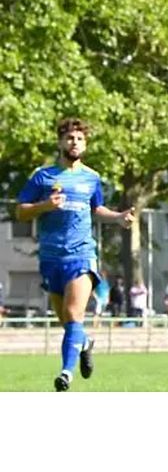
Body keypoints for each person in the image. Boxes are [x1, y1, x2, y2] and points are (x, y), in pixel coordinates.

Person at [15, 118, 136, 391]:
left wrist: (118, 217)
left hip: (81, 254)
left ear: (85, 144)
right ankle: (84, 344)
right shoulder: (42, 176)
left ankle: (65, 374)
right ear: (60, 142)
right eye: (70, 138)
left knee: (73, 314)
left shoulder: (92, 178)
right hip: (51, 257)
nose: (75, 143)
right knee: (68, 323)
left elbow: (97, 209)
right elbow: (21, 210)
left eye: (80, 139)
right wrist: (44, 206)